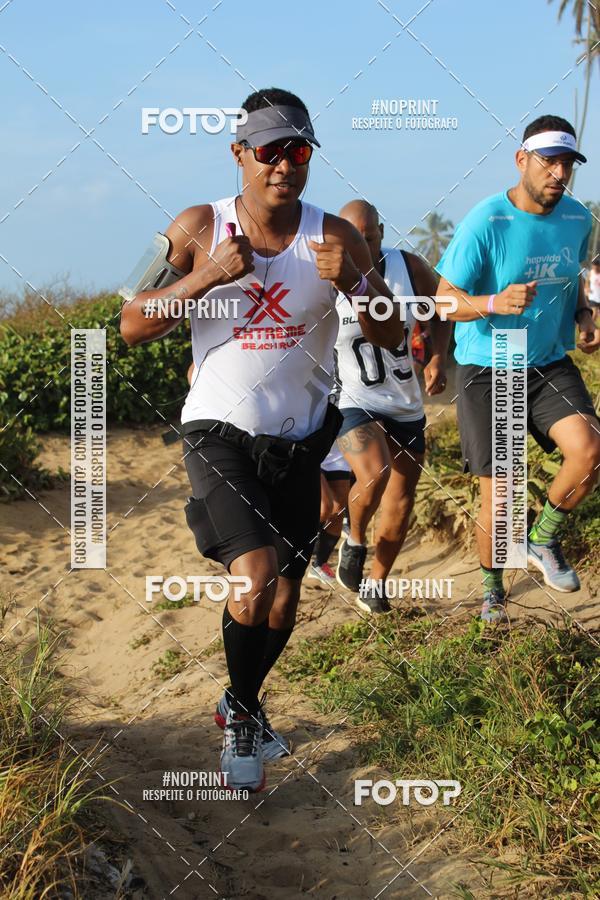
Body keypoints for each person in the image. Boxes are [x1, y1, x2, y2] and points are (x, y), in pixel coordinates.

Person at [120, 88, 404, 791]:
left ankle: (238, 699)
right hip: (218, 429)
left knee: (282, 598)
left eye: (298, 150)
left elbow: (393, 332)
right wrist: (208, 274)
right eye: (271, 150)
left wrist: (359, 284)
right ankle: (244, 721)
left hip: (300, 439)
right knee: (253, 574)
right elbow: (131, 322)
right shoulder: (198, 225)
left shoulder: (336, 236)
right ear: (239, 154)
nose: (285, 164)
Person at [435, 115, 600, 623]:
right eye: (549, 162)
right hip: (493, 364)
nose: (559, 174)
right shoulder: (486, 221)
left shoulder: (578, 218)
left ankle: (543, 539)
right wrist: (493, 302)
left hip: (548, 361)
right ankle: (492, 594)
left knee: (590, 452)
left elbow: (575, 279)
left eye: (567, 164)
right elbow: (442, 302)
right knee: (502, 496)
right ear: (521, 159)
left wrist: (584, 315)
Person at [334, 200, 452, 612]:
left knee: (401, 500)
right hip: (354, 397)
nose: (361, 248)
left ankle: (376, 584)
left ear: (381, 233)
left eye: (368, 239)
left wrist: (437, 357)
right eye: (353, 240)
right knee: (374, 473)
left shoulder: (409, 267)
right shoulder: (328, 278)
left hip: (405, 402)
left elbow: (442, 310)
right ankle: (354, 537)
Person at [309, 441, 351, 583]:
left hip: (339, 454)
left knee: (338, 511)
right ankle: (294, 553)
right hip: (312, 448)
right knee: (324, 507)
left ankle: (319, 564)